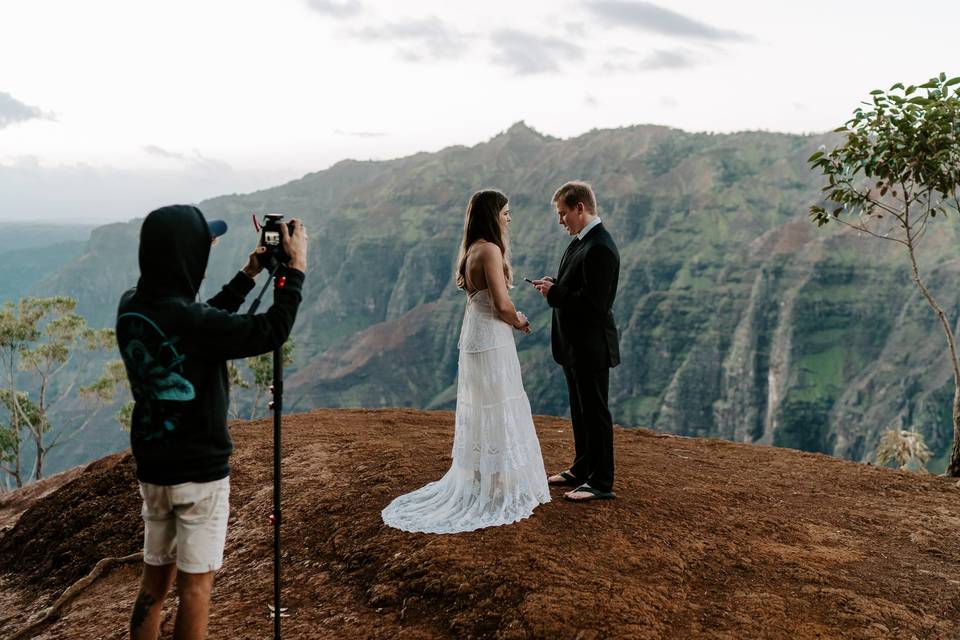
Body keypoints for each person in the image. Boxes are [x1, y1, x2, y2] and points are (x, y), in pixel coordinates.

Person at [116, 204, 307, 640]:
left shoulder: (132, 306)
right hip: (199, 475)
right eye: (205, 245)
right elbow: (270, 331)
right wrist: (294, 270)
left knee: (154, 583)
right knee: (196, 588)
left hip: (154, 468)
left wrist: (248, 274)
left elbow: (201, 325)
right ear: (186, 257)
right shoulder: (191, 320)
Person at [382, 189, 550, 533]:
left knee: (484, 404)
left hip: (475, 333)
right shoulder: (489, 250)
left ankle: (483, 475)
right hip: (491, 336)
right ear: (492, 215)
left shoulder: (472, 249)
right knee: (498, 402)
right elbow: (502, 305)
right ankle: (496, 483)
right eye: (505, 211)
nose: (509, 217)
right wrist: (520, 320)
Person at [532, 181, 620, 502]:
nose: (560, 221)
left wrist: (555, 293)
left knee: (595, 412)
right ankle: (582, 468)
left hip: (591, 347)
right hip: (574, 348)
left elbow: (596, 305)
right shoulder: (581, 241)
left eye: (563, 213)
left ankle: (601, 481)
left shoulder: (600, 247)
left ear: (580, 208)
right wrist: (556, 284)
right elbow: (579, 288)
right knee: (580, 411)